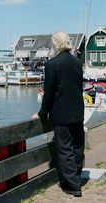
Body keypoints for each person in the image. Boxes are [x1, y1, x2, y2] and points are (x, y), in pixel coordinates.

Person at [33, 32, 85, 197]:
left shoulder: (52, 64)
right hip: (77, 111)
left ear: (56, 45)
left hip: (61, 114)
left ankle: (73, 185)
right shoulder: (77, 62)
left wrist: (42, 113)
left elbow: (49, 93)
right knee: (77, 146)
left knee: (64, 149)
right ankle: (75, 177)